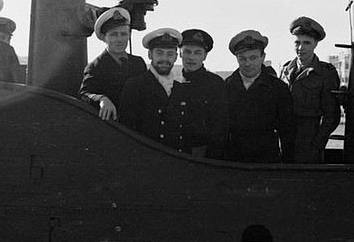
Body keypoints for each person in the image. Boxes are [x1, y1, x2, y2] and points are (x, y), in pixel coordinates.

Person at [225, 30, 295, 163]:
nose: (247, 64)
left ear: (262, 57)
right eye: (242, 58)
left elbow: (287, 130)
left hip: (266, 159)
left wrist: (287, 164)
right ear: (237, 58)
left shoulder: (278, 88)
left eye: (253, 58)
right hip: (234, 159)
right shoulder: (226, 87)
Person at [280, 17, 341, 163]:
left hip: (309, 140)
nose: (301, 48)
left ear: (315, 44)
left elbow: (332, 115)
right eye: (297, 42)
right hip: (285, 138)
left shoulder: (326, 73)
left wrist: (317, 143)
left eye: (306, 43)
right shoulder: (285, 70)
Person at [119, 28, 189, 151]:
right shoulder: (135, 86)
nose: (165, 59)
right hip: (147, 160)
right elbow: (127, 131)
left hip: (177, 161)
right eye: (159, 53)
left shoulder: (180, 89)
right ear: (150, 54)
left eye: (170, 54)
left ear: (176, 57)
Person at [79, 7, 146, 120]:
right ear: (104, 38)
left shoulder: (138, 63)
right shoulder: (96, 67)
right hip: (113, 128)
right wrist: (102, 99)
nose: (119, 39)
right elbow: (84, 94)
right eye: (114, 34)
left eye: (123, 34)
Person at [178, 29, 229, 158]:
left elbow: (220, 127)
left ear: (205, 56)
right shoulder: (172, 81)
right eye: (187, 52)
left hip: (204, 154)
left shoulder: (215, 84)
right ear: (180, 53)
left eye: (197, 53)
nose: (191, 57)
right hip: (175, 151)